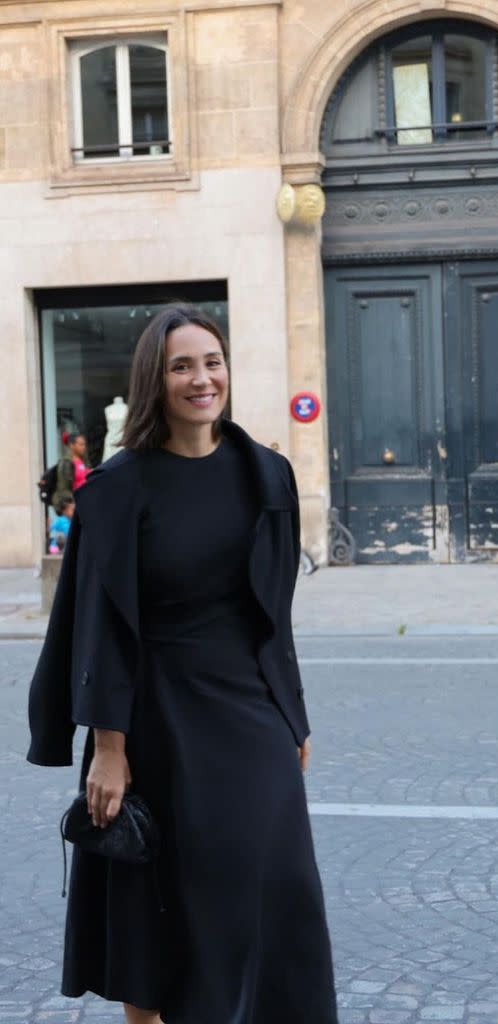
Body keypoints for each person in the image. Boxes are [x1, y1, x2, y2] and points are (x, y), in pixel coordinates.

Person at [27, 304, 338, 1024]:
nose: (203, 379)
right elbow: (98, 623)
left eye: (212, 361)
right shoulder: (118, 486)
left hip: (250, 715)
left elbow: (274, 615)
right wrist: (108, 746)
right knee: (159, 914)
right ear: (154, 381)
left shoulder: (266, 474)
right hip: (154, 720)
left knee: (274, 892)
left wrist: (291, 712)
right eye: (182, 366)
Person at [52, 432, 89, 511]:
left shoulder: (84, 461)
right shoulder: (66, 463)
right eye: (81, 445)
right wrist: (71, 505)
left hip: (86, 502)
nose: (84, 447)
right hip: (75, 506)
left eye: (84, 444)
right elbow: (64, 488)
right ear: (72, 445)